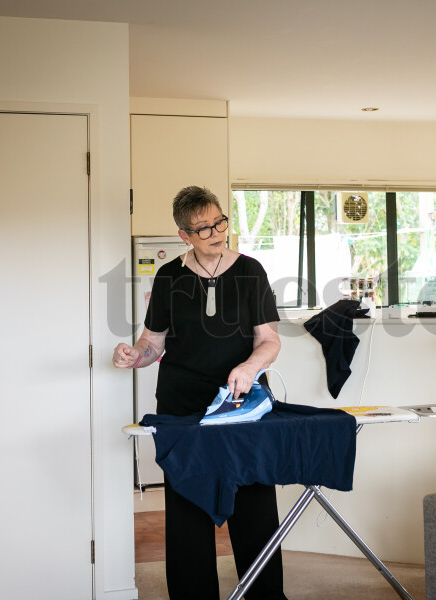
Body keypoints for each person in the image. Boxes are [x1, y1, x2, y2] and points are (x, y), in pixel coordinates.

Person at [112, 185, 285, 600]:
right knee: (187, 509)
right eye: (203, 228)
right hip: (182, 406)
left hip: (241, 405)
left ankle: (264, 595)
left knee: (254, 507)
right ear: (184, 235)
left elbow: (270, 341)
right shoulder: (169, 276)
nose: (215, 232)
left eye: (219, 222)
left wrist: (248, 366)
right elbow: (152, 345)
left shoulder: (250, 271)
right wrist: (130, 355)